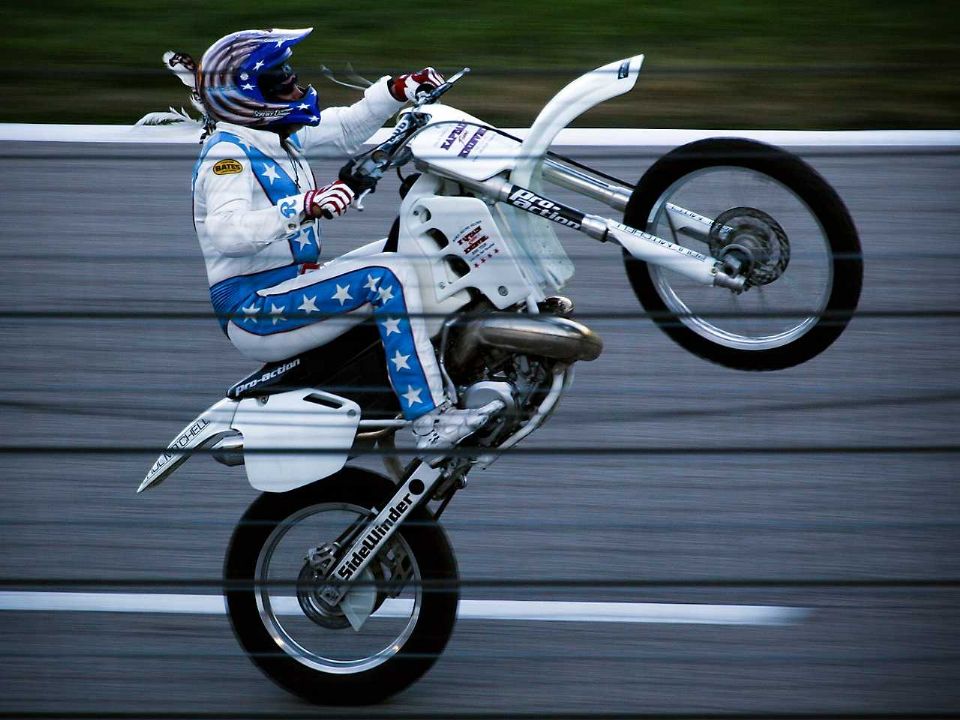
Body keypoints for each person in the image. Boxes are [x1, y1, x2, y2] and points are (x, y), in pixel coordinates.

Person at [162, 28, 500, 450]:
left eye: (288, 71)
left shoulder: (275, 137)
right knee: (384, 279)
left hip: (289, 285)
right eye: (279, 77)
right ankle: (431, 422)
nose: (292, 82)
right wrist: (303, 206)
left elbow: (343, 128)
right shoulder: (226, 157)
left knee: (410, 247)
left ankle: (469, 355)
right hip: (253, 309)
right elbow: (228, 233)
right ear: (250, 97)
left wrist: (396, 92)